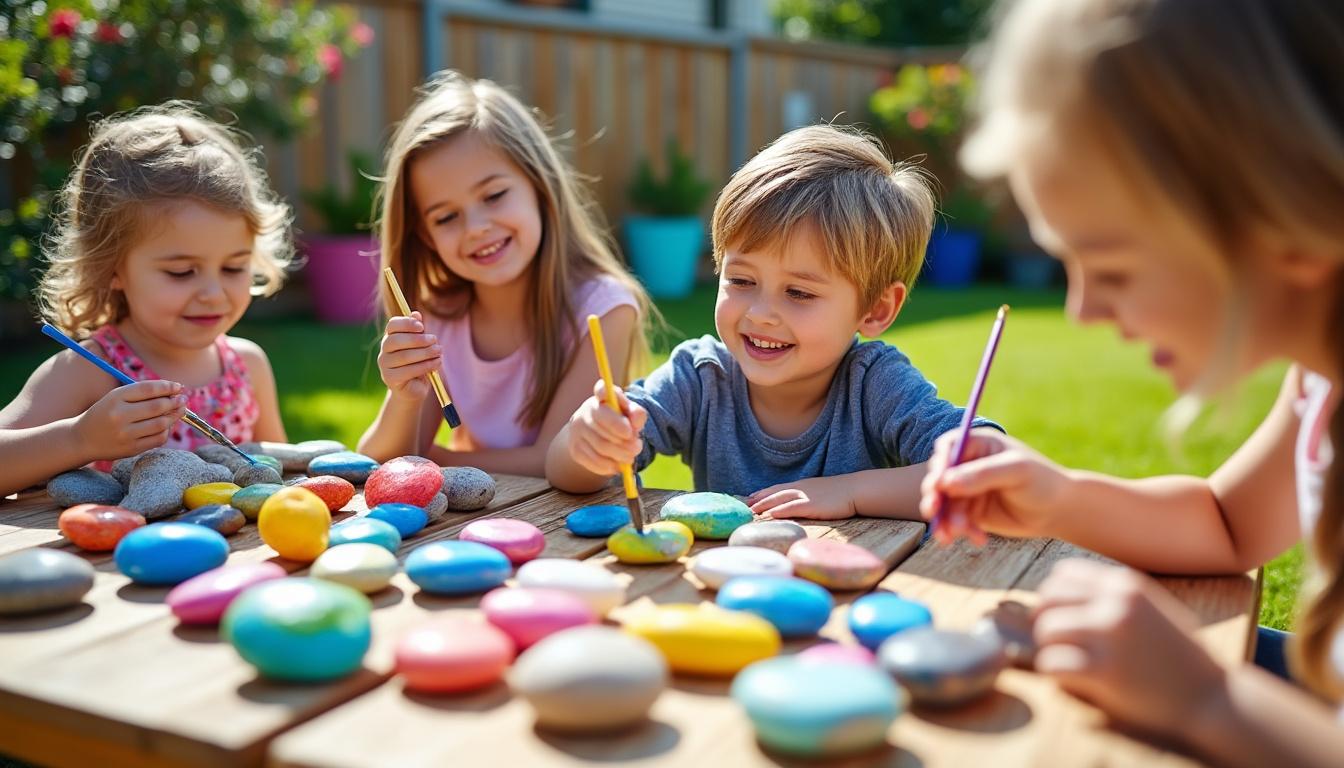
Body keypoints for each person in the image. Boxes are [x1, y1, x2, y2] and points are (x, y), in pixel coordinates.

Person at [918, 1, 1344, 764]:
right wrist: (1058, 497)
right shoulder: (1322, 380)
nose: (1082, 310)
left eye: (1110, 267)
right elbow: (1228, 526)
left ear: (1288, 211)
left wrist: (1210, 701)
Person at [548, 124, 997, 520]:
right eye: (741, 280)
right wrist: (589, 442)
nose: (760, 313)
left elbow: (984, 467)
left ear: (875, 310)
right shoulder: (702, 376)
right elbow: (568, 474)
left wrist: (851, 492)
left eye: (799, 292)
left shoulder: (874, 384)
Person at [358, 71, 650, 476]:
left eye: (494, 196)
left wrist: (441, 461)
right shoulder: (437, 318)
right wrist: (404, 397)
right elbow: (376, 464)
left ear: (539, 184)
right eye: (446, 217)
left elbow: (558, 460)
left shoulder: (604, 308)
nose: (476, 227)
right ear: (426, 235)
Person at [0, 105, 291, 497]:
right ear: (112, 267)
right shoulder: (90, 369)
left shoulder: (247, 366)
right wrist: (79, 439)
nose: (213, 293)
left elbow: (273, 473)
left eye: (234, 268)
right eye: (181, 272)